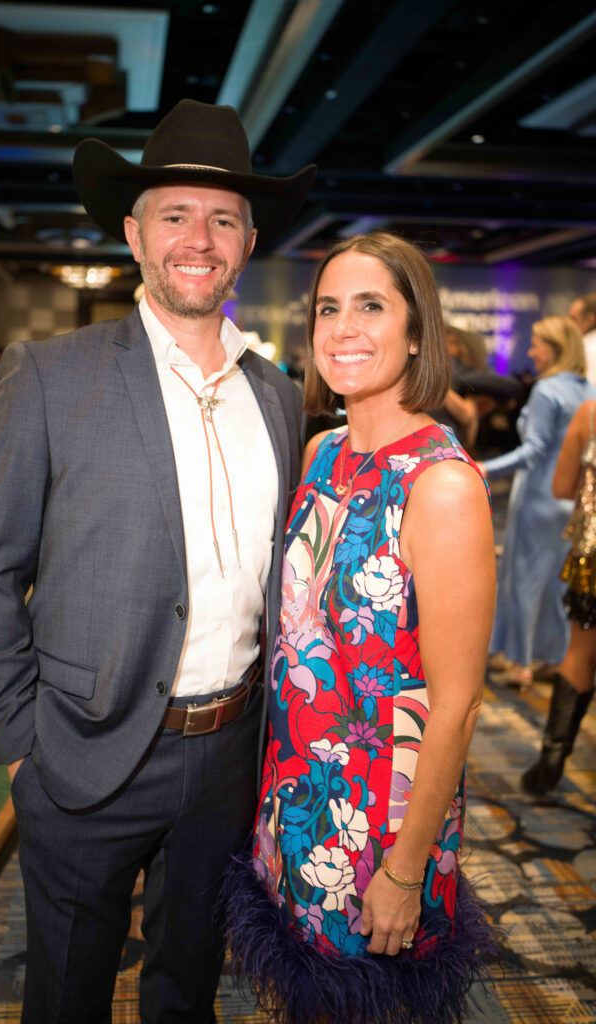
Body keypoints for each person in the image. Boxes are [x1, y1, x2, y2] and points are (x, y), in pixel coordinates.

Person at [0, 98, 315, 1024]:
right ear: (133, 233)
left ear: (247, 240)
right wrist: (19, 746)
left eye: (223, 218)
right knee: (68, 988)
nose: (200, 237)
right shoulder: (48, 373)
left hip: (232, 753)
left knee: (188, 986)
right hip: (77, 752)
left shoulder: (279, 397)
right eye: (175, 215)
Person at [221, 232, 497, 1024]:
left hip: (381, 824)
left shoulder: (439, 487)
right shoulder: (321, 451)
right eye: (328, 309)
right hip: (298, 799)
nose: (343, 327)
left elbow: (458, 704)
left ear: (417, 334)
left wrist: (406, 871)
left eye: (371, 306)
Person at [479, 317, 596, 689]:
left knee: (525, 581)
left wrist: (482, 468)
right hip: (571, 500)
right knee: (557, 586)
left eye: (536, 345)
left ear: (556, 349)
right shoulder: (587, 390)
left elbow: (534, 450)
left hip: (537, 499)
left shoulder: (547, 391)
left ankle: (521, 662)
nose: (530, 352)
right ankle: (554, 656)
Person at [521, 398, 596, 795]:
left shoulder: (591, 413)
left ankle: (550, 763)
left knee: (581, 652)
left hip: (592, 553)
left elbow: (561, 486)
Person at [569, 293, 596, 385]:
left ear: (589, 319)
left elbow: (590, 390)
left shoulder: (588, 349)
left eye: (573, 319)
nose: (569, 324)